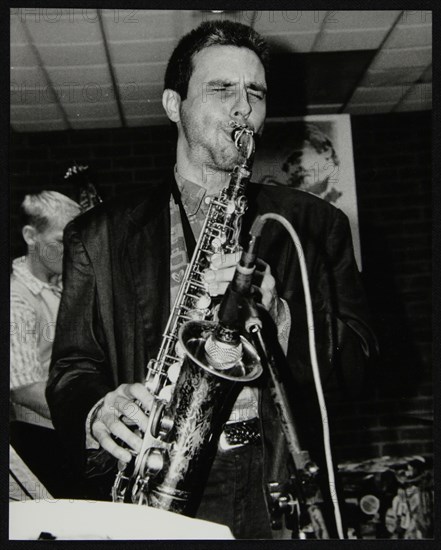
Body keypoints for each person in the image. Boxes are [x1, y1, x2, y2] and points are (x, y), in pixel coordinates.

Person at [47, 20, 377, 538]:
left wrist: (280, 316)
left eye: (255, 92)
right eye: (222, 89)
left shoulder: (316, 225)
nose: (243, 107)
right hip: (155, 474)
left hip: (276, 483)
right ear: (173, 105)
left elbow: (359, 365)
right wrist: (96, 411)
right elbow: (72, 368)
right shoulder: (96, 235)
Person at [10, 191, 81, 497]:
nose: (73, 251)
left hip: (69, 431)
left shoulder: (66, 282)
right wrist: (86, 416)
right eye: (61, 242)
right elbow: (23, 386)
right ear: (30, 235)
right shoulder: (16, 298)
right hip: (40, 441)